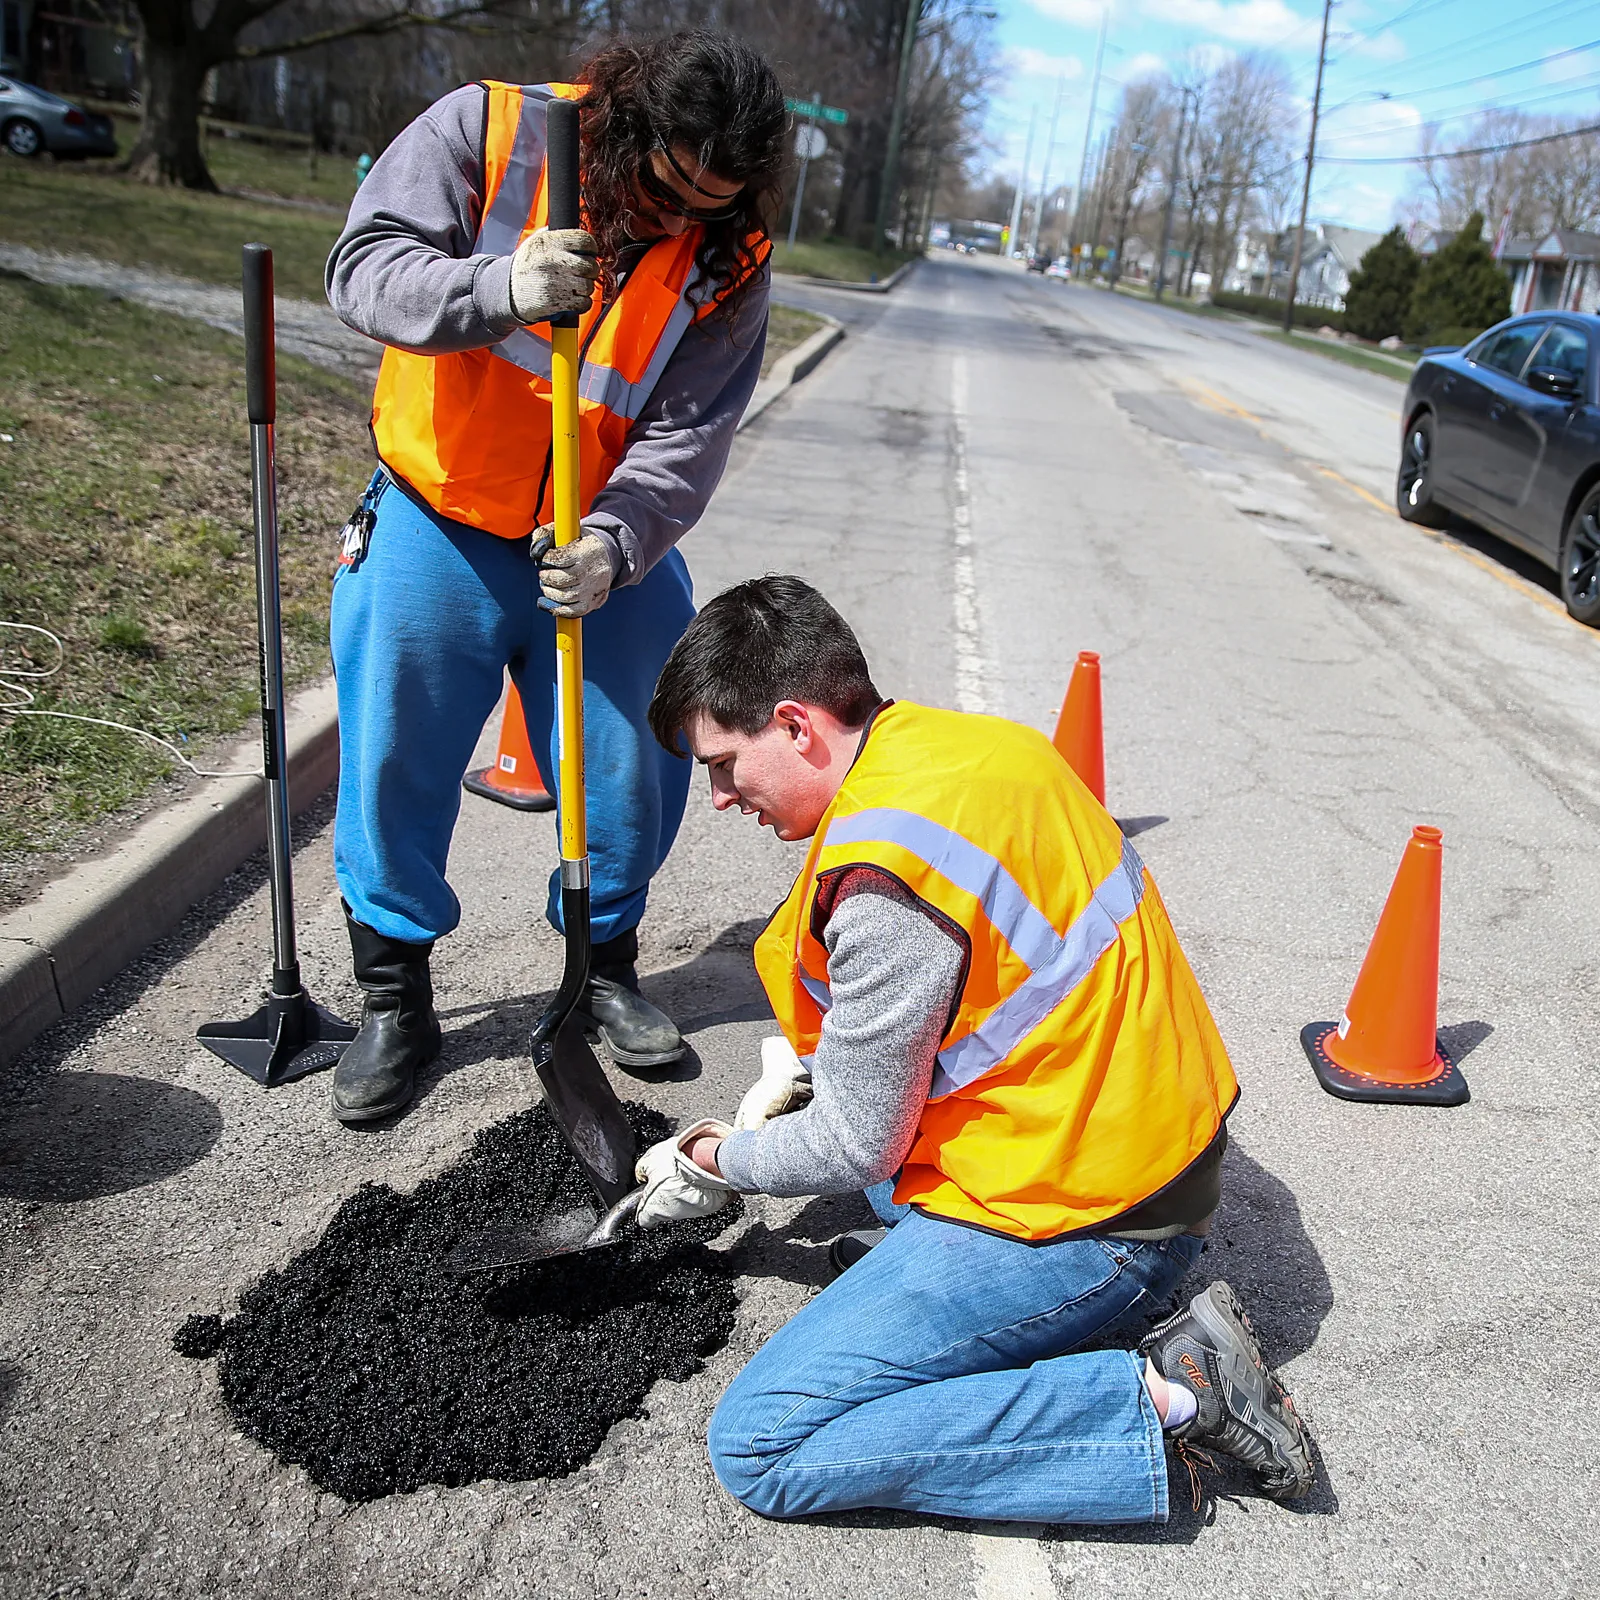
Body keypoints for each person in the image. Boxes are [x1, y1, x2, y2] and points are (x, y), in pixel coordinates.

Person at [632, 575, 1316, 1524]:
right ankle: (944, 1288)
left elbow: (857, 1147)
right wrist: (815, 1067)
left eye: (720, 762)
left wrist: (715, 1157)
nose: (715, 796)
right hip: (1137, 1138)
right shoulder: (971, 748)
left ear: (796, 726)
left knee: (763, 1442)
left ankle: (1168, 1394)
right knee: (852, 1149)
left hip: (1098, 1223)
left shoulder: (883, 884)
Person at [321, 34, 787, 1124]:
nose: (678, 218)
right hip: (443, 512)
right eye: (665, 187)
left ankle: (603, 968)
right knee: (397, 754)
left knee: (645, 753)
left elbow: (688, 435)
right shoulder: (485, 131)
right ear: (626, 123)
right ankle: (397, 999)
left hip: (594, 539)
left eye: (706, 203)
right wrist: (499, 284)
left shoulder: (732, 257)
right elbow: (364, 268)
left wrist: (615, 544)